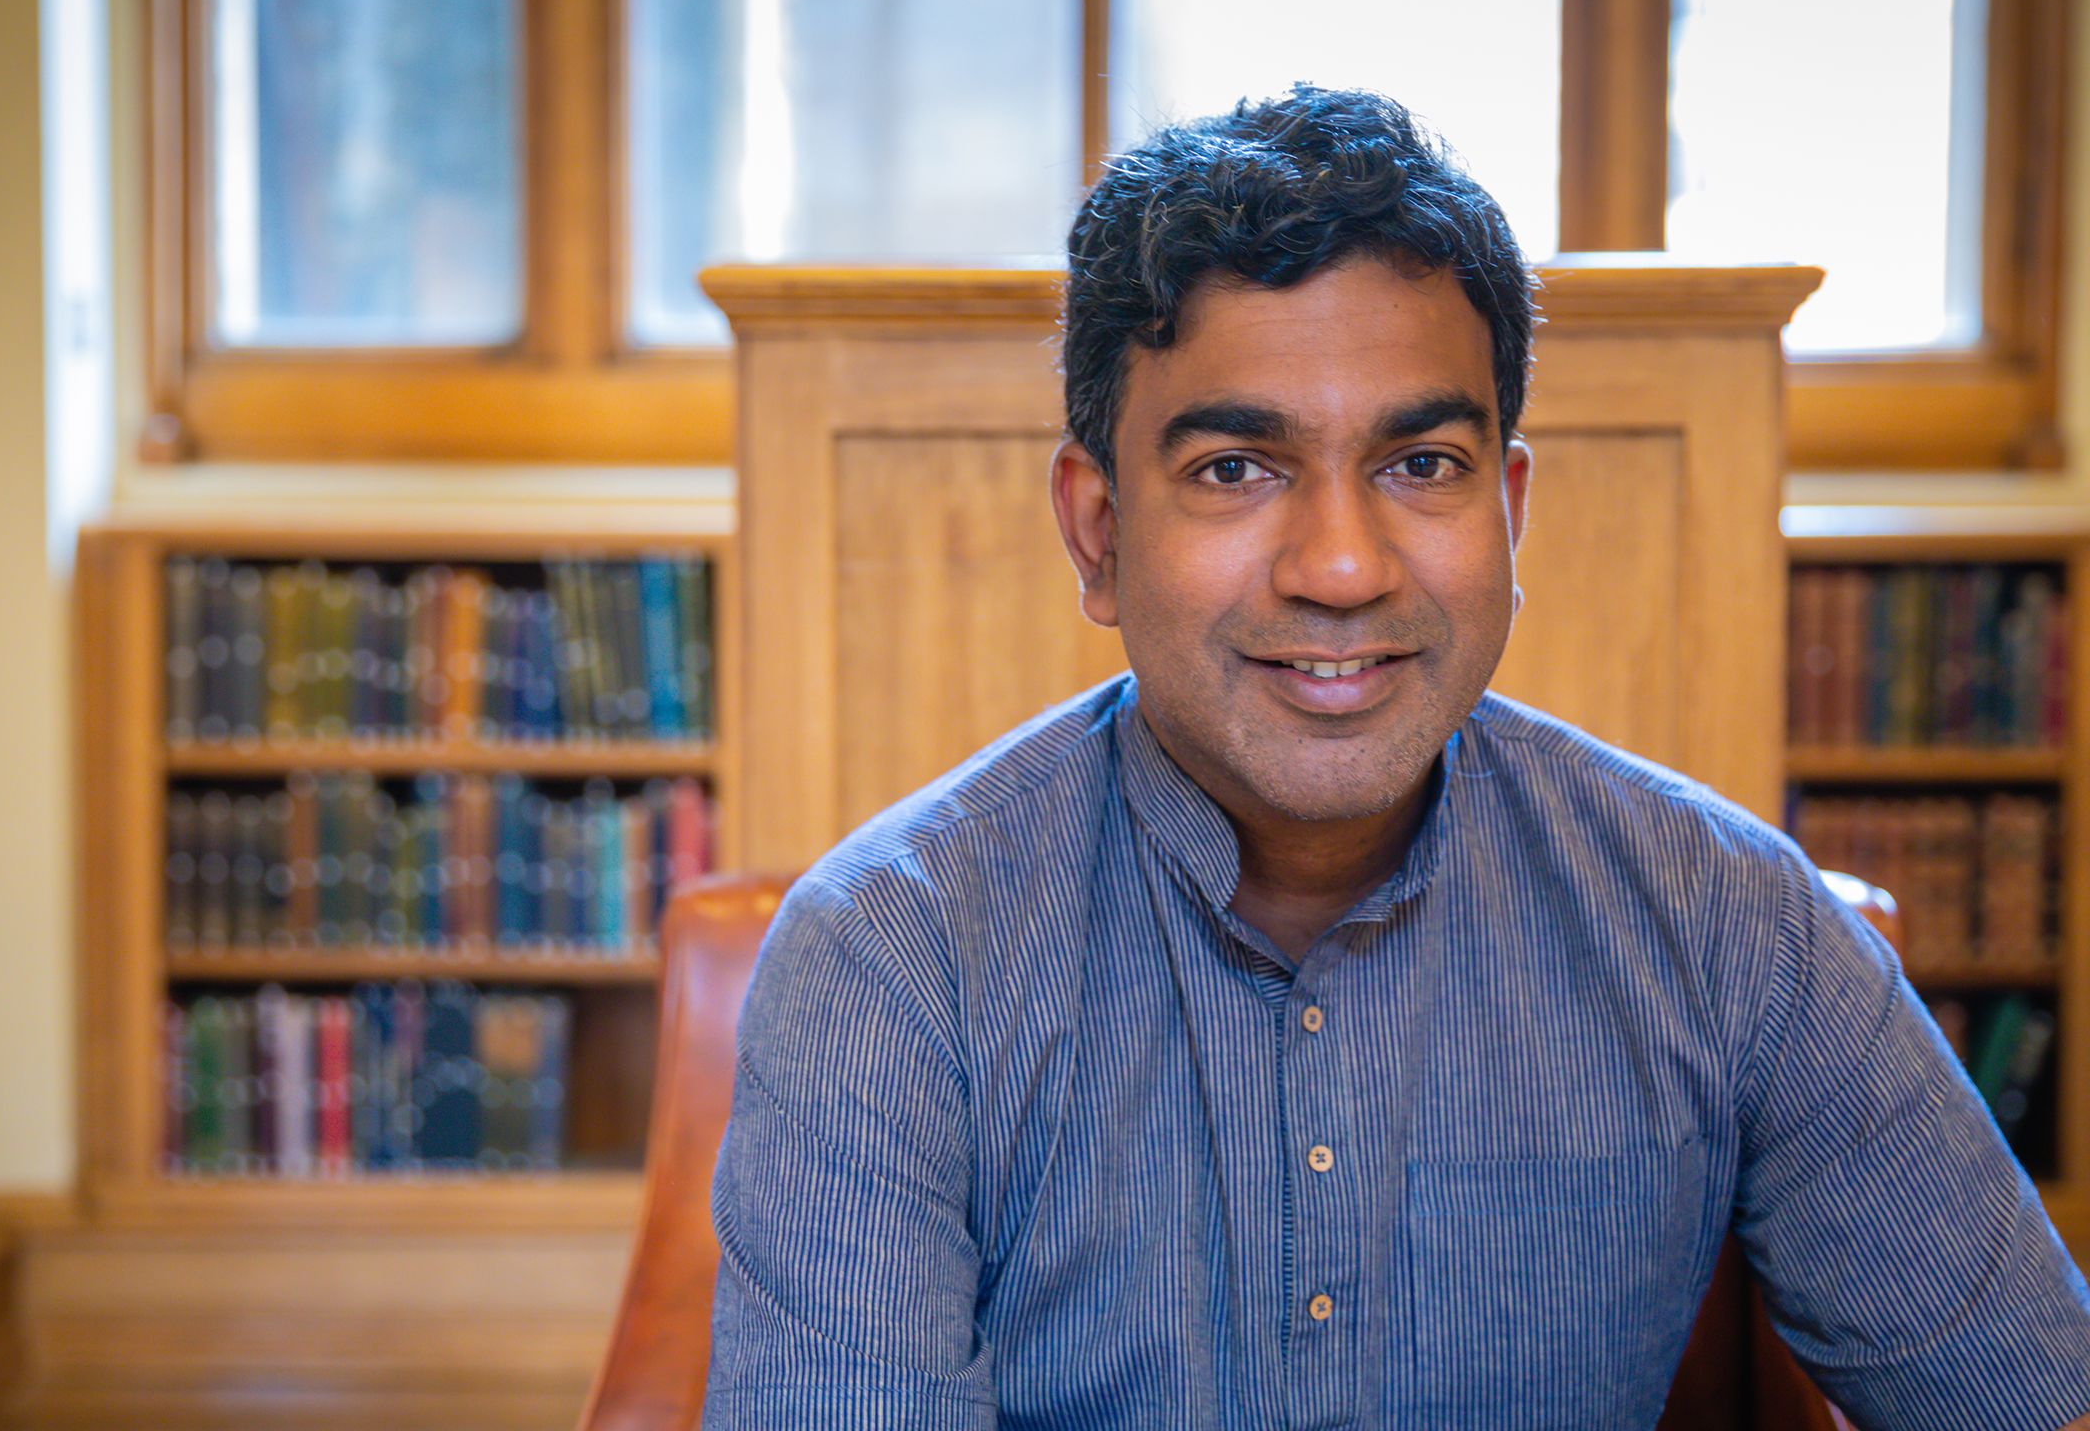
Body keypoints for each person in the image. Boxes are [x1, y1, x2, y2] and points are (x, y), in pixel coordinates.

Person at [701, 85, 2090, 1429]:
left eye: (1422, 463)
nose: (1345, 566)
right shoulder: (890, 959)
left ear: (1510, 507)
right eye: (1236, 468)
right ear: (1098, 529)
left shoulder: (1732, 926)